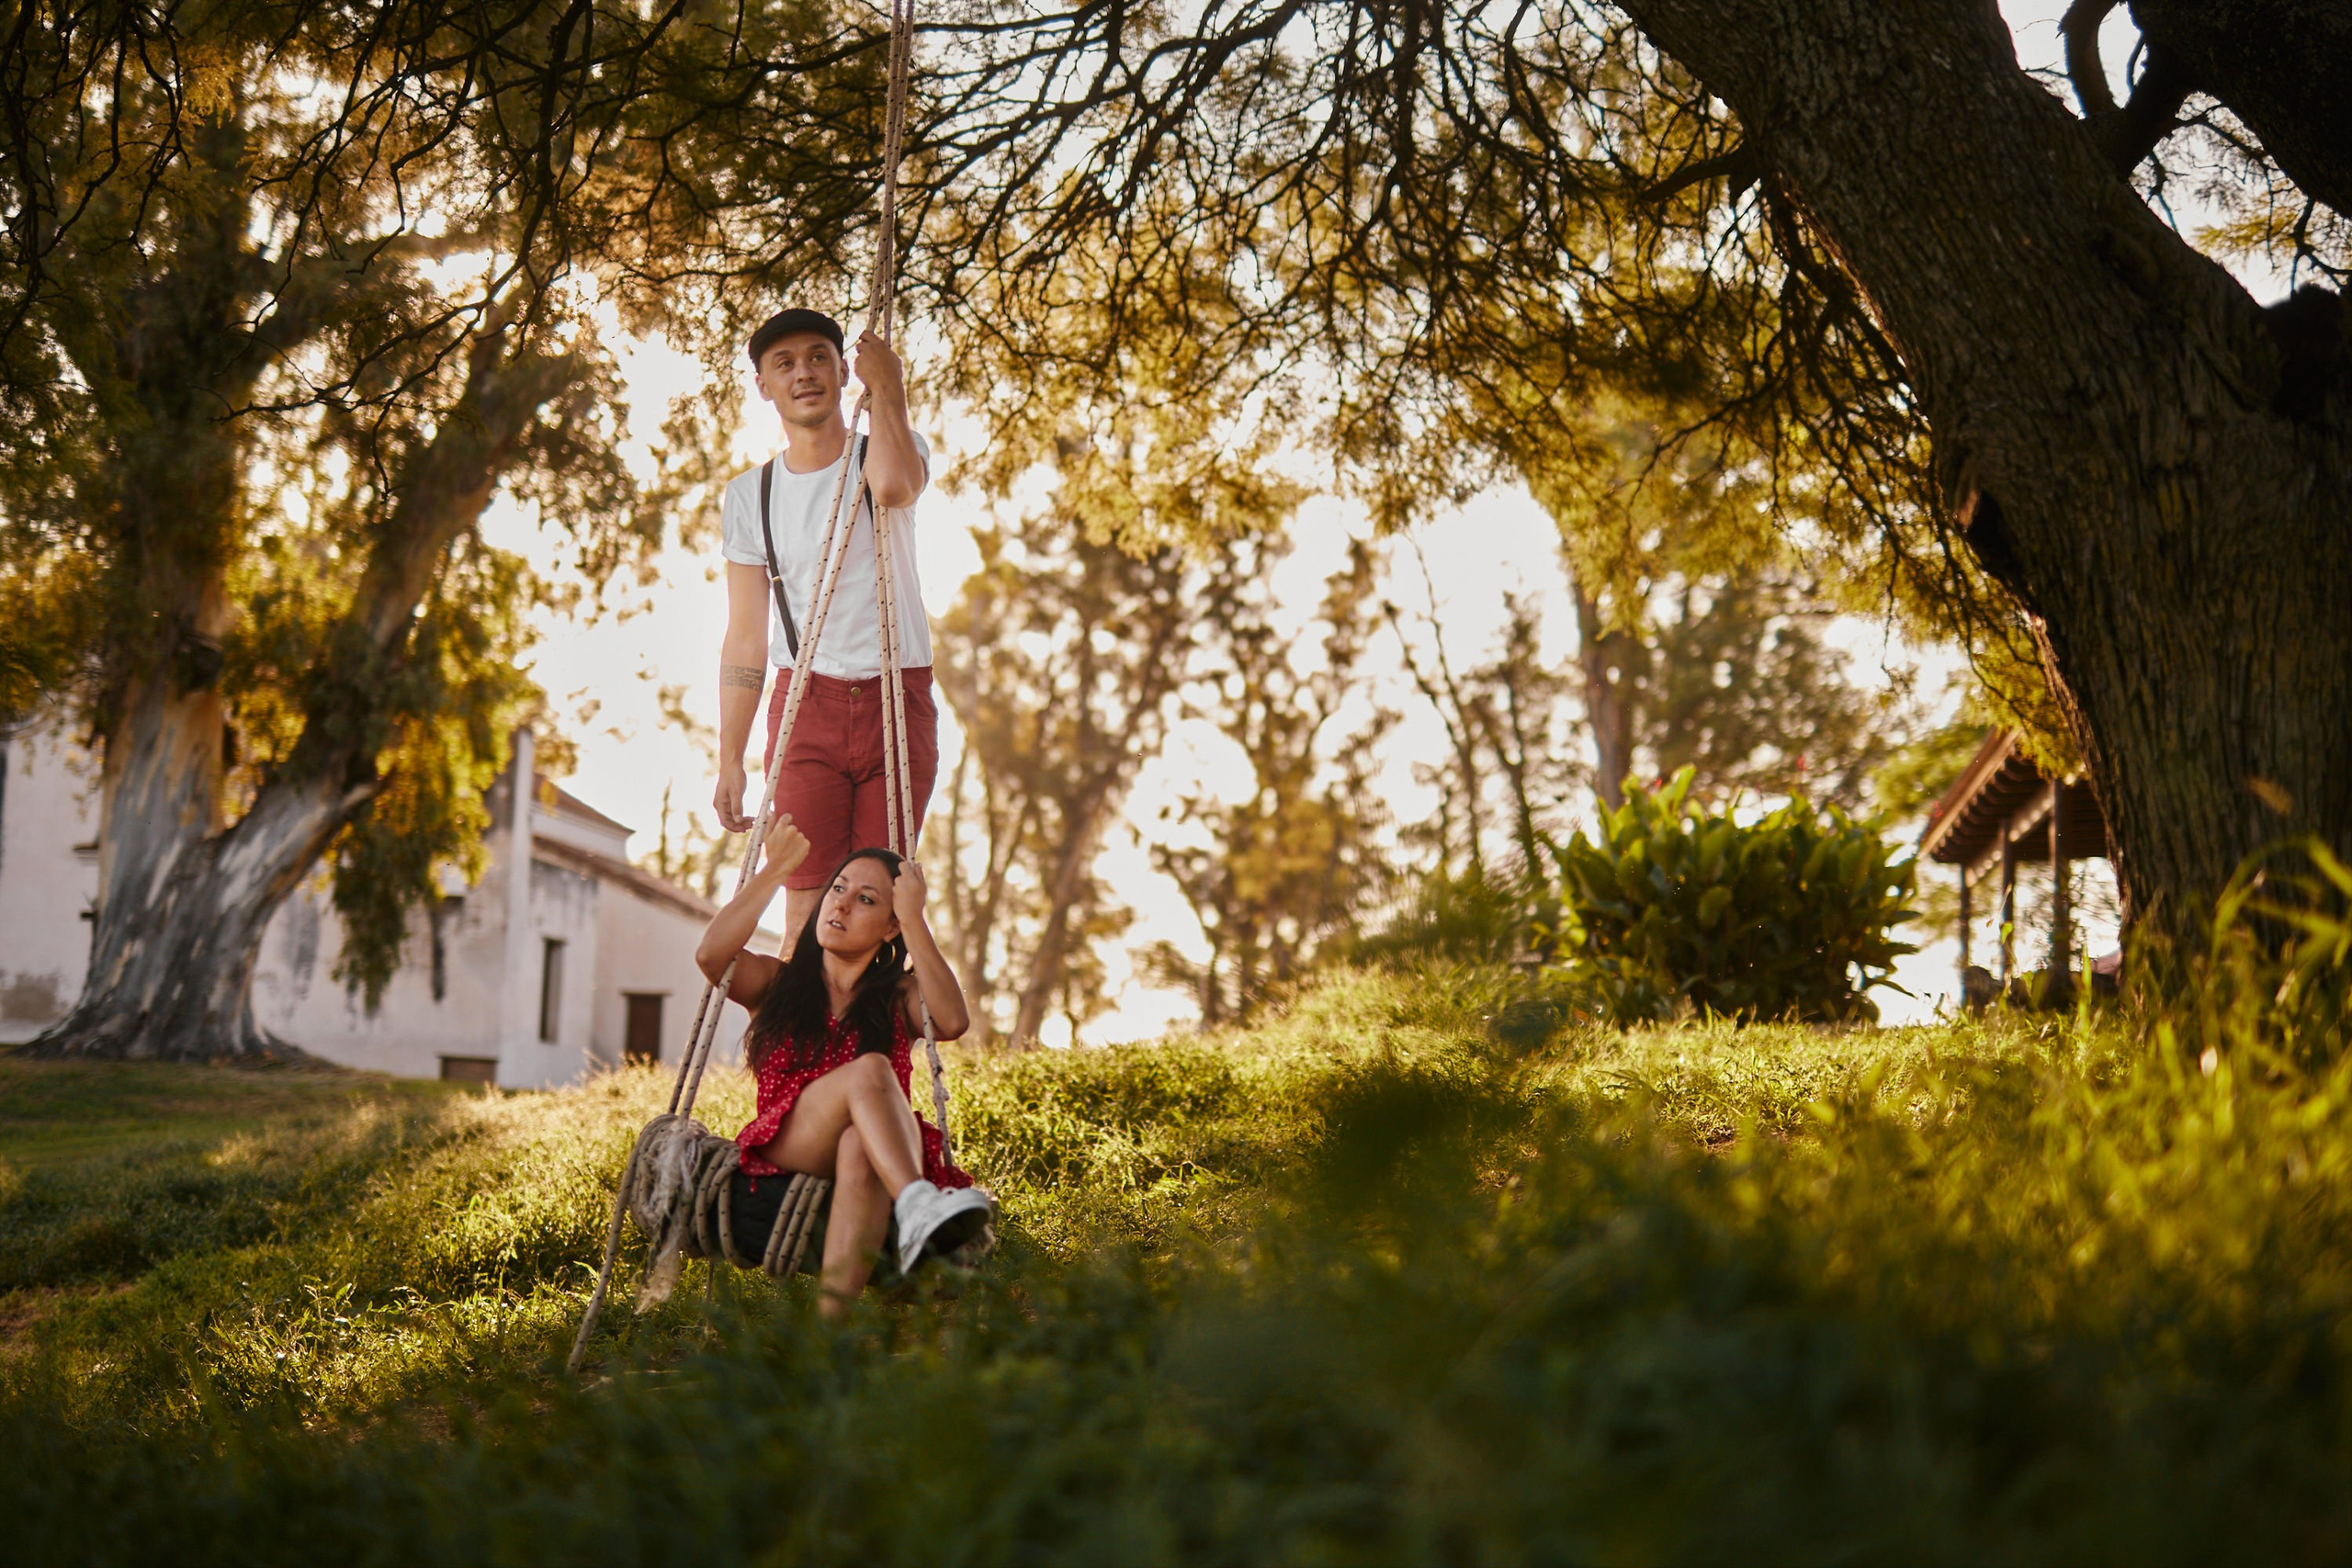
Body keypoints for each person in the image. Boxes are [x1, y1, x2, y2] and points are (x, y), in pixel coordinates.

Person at [695, 812, 993, 1316]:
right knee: (872, 1071)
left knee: (859, 1142)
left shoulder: (897, 997)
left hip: (875, 1150)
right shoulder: (777, 982)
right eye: (838, 888)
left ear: (889, 926)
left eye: (867, 901)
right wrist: (775, 871)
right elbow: (711, 955)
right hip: (791, 1139)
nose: (841, 904)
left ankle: (829, 1339)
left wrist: (915, 918)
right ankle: (917, 1203)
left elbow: (952, 1019)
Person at [715, 306, 937, 945]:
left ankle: (870, 1050)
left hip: (897, 697)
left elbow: (894, 489)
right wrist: (731, 754)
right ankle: (797, 1048)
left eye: (819, 357)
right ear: (763, 384)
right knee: (808, 911)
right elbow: (746, 636)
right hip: (804, 707)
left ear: (844, 371)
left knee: (877, 908)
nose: (804, 373)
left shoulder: (889, 445)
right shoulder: (748, 495)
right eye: (784, 363)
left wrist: (889, 387)